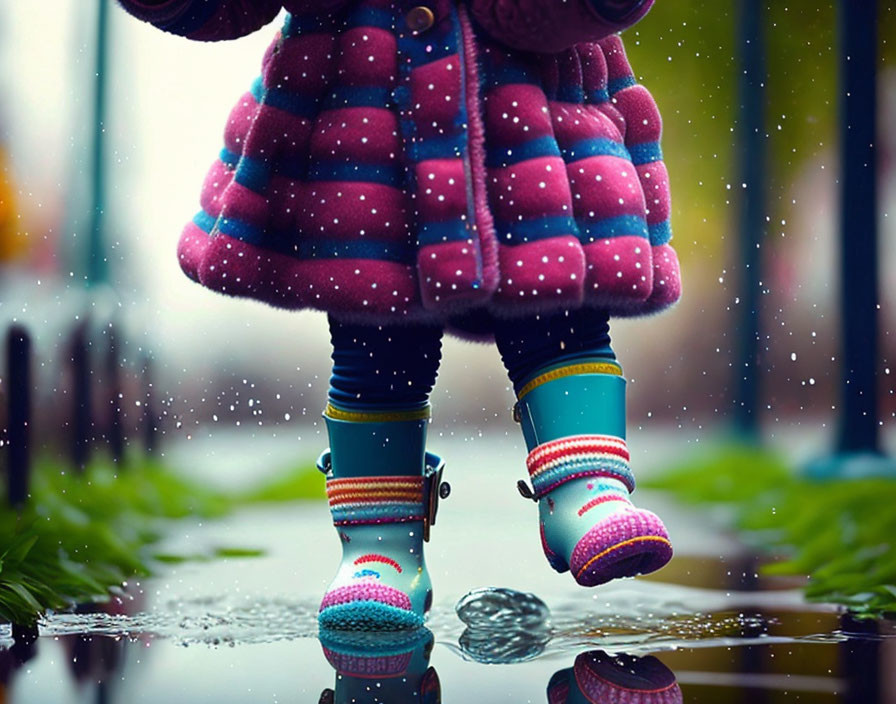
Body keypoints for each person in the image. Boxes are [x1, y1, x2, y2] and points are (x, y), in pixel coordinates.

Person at [117, 0, 682, 631]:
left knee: (559, 309)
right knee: (374, 337)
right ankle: (379, 549)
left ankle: (588, 483)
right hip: (364, 123)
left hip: (529, 117)